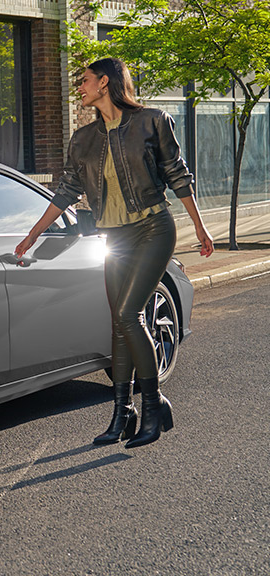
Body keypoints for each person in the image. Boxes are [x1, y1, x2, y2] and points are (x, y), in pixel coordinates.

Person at [14, 58, 214, 449]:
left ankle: (154, 405)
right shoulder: (83, 138)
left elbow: (178, 175)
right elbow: (68, 192)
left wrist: (201, 227)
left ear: (104, 82)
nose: (80, 88)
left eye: (85, 81)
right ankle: (123, 413)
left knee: (128, 313)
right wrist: (33, 234)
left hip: (153, 228)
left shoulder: (153, 121)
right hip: (114, 236)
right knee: (117, 323)